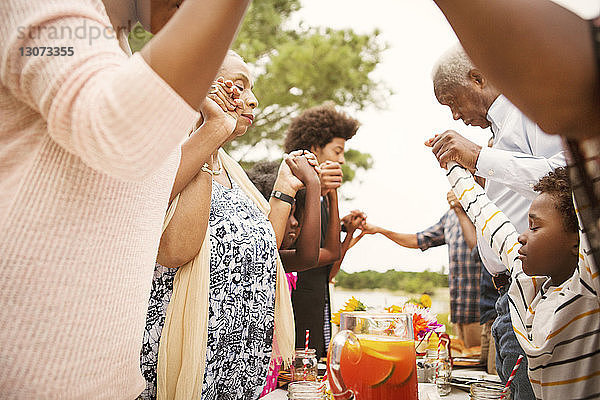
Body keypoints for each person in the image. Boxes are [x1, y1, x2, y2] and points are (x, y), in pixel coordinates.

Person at [0, 0, 250, 398]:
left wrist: (215, 128)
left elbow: (147, 188)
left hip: (115, 384)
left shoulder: (118, 52)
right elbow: (114, 130)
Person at [140, 51, 320, 400]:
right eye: (239, 86)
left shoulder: (232, 169)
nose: (253, 100)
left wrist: (284, 188)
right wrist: (211, 132)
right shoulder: (167, 151)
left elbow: (264, 247)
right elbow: (177, 250)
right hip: (191, 348)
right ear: (200, 87)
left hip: (237, 357)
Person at [427, 45, 565, 399]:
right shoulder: (501, 131)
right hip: (507, 295)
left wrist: (478, 156)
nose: (455, 116)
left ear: (479, 78)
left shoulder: (531, 111)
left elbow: (567, 178)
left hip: (535, 295)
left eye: (453, 102)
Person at [446, 164, 600, 399]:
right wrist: (453, 166)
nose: (522, 235)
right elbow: (488, 217)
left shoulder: (588, 289)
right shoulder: (527, 284)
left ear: (577, 239)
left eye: (534, 226)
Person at [284, 102, 361, 359]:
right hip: (294, 308)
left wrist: (348, 233)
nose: (341, 159)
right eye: (337, 151)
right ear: (315, 148)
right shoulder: (288, 190)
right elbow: (297, 253)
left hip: (320, 305)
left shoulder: (324, 202)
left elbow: (330, 267)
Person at [360, 191, 482, 348]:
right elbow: (418, 240)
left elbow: (479, 251)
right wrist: (379, 230)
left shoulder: (483, 212)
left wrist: (461, 209)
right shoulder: (450, 216)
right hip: (458, 312)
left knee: (482, 367)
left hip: (480, 312)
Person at [247, 157, 323, 396]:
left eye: (296, 213)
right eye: (286, 212)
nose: (294, 222)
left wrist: (315, 186)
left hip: (268, 375)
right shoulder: (255, 259)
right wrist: (314, 184)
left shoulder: (282, 260)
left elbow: (309, 256)